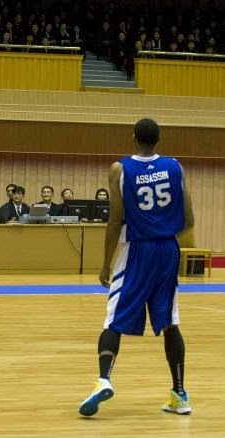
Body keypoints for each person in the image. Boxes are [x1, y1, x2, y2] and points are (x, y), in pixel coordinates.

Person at [79, 118, 194, 417]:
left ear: (133, 138)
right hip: (168, 249)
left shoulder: (120, 169)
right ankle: (180, 395)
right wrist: (164, 235)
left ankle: (104, 379)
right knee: (170, 322)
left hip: (136, 249)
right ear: (159, 138)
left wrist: (106, 263)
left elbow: (115, 220)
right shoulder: (175, 167)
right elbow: (189, 221)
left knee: (113, 319)